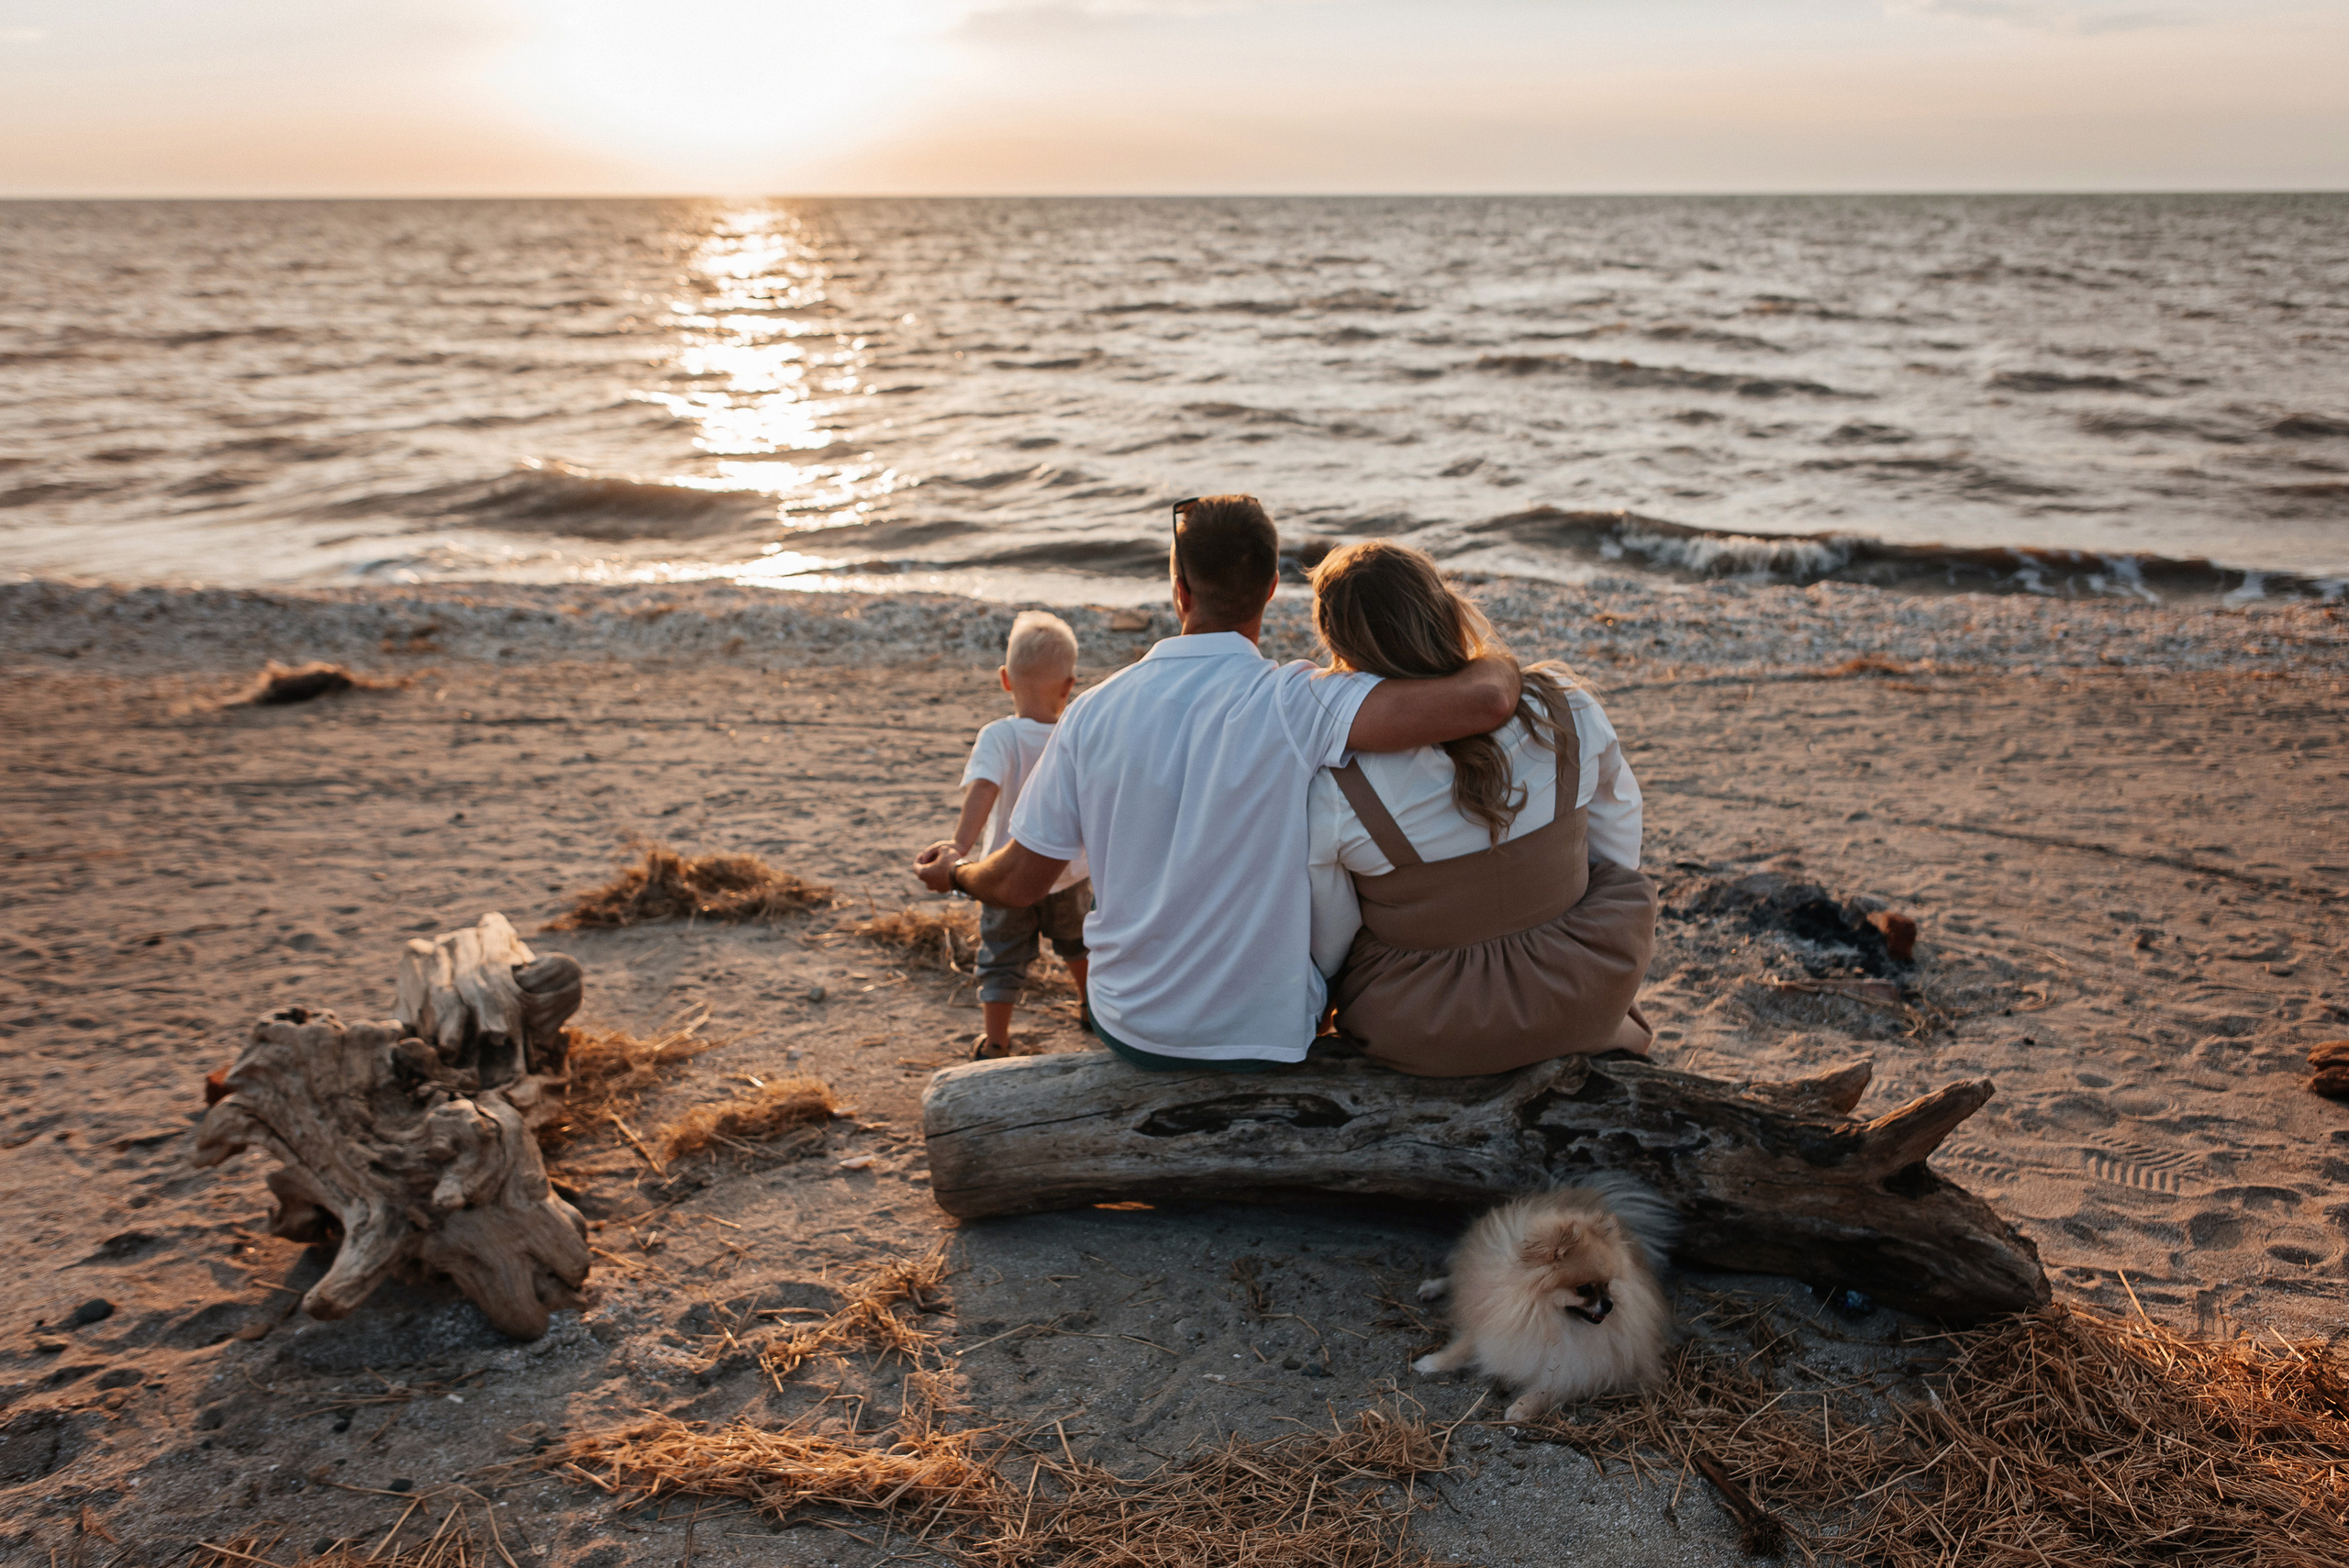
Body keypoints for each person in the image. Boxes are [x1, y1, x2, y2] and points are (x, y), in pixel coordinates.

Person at [913, 495, 1520, 1070]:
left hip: (1133, 1025)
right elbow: (1488, 700)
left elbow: (1020, 881)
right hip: (1271, 1032)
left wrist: (957, 873)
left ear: (1180, 590)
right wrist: (1492, 650)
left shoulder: (1091, 713)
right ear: (1272, 588)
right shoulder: (1300, 702)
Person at [1304, 539, 1655, 1075]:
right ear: (1445, 609)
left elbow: (1331, 941)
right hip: (1580, 991)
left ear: (1341, 647)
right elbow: (1617, 845)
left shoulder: (1338, 784)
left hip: (1432, 1028)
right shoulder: (1566, 707)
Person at [936, 610, 1093, 1061]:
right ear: (1068, 686)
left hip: (1004, 875)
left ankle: (997, 1041)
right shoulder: (1074, 735)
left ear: (1005, 679)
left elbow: (982, 792)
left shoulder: (999, 736)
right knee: (1079, 946)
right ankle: (1090, 1008)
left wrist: (959, 848)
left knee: (1001, 959)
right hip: (1068, 872)